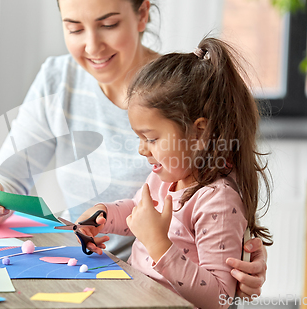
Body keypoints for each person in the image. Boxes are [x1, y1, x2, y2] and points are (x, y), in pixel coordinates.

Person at [0, 0, 268, 299]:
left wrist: (242, 257)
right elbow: (8, 175)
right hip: (95, 277)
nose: (92, 46)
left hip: (150, 290)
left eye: (108, 24)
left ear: (142, 14)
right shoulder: (57, 79)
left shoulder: (183, 93)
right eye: (75, 28)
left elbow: (223, 193)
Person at [75, 38, 273, 308]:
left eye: (152, 139)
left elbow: (220, 297)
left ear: (199, 132)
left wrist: (158, 244)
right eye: (140, 138)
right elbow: (137, 211)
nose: (142, 150)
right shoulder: (164, 177)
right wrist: (103, 215)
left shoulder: (217, 200)